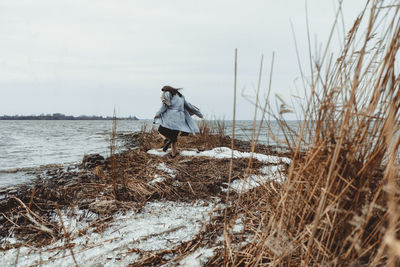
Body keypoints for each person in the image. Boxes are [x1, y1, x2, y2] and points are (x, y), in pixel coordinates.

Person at [154, 85, 203, 157]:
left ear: (166, 89)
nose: (163, 92)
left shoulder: (167, 93)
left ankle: (166, 140)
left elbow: (165, 105)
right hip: (180, 118)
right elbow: (189, 105)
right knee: (173, 138)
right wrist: (199, 114)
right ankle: (174, 155)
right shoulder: (180, 95)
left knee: (160, 130)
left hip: (170, 117)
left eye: (163, 90)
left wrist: (158, 114)